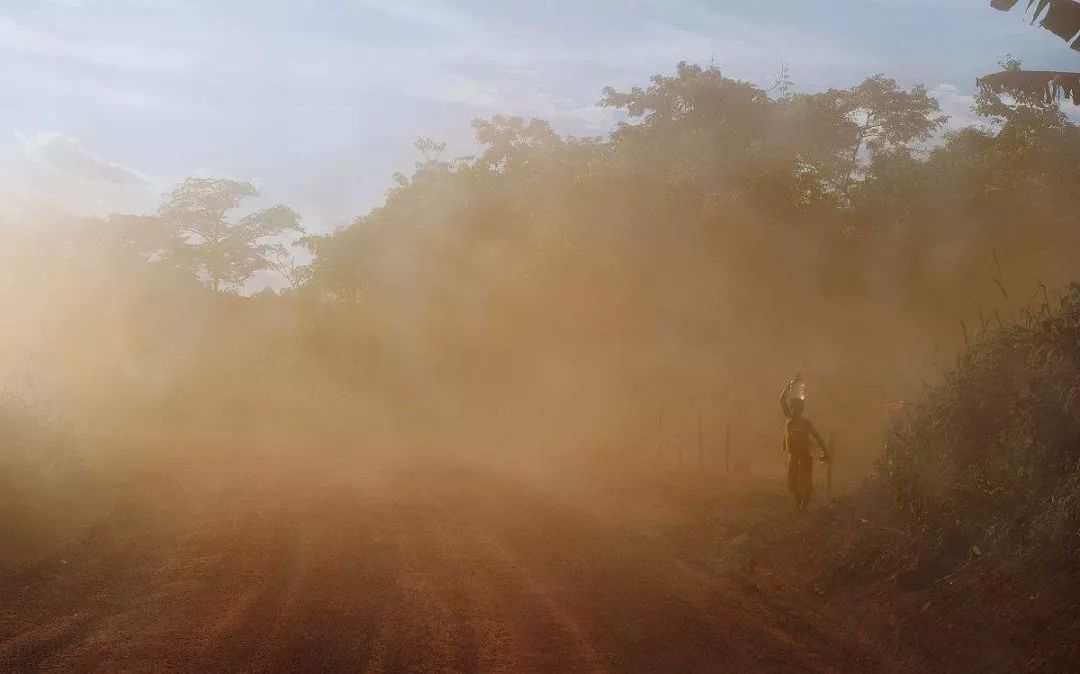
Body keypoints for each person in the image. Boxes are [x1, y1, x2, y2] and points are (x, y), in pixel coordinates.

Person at [780, 374, 829, 513]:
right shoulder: (790, 418)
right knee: (794, 483)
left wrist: (824, 450)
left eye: (797, 407)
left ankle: (804, 506)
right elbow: (782, 399)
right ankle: (799, 506)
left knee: (805, 482)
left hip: (804, 456)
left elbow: (816, 436)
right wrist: (790, 384)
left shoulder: (804, 422)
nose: (795, 409)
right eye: (793, 407)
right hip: (794, 456)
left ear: (801, 409)